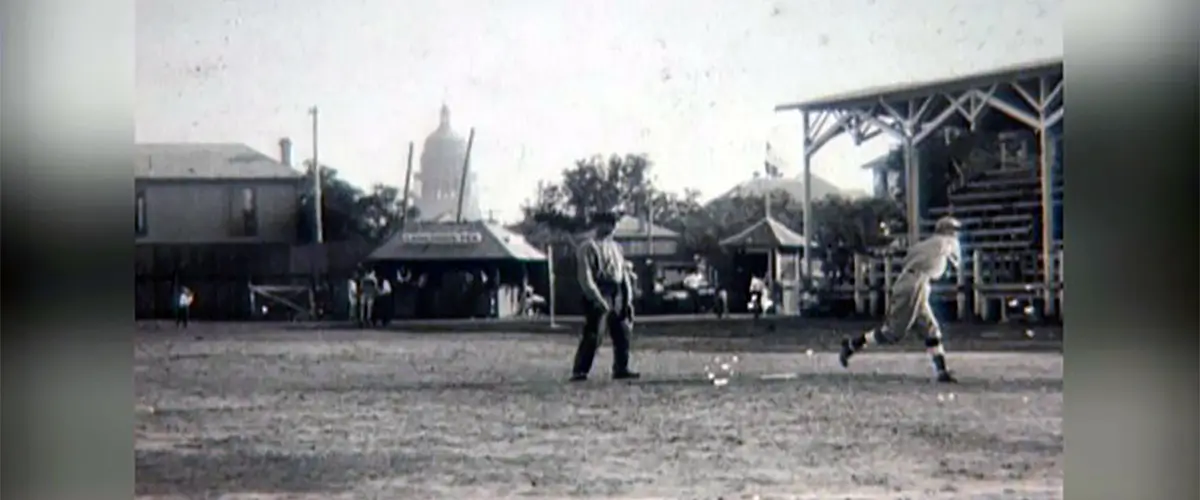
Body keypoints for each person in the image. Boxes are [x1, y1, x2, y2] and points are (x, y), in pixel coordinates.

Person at [838, 216, 964, 383]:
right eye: (954, 230)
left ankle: (941, 371)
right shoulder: (946, 241)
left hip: (912, 281)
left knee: (930, 329)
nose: (956, 234)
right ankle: (853, 344)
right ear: (947, 231)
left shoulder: (924, 244)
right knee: (893, 333)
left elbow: (908, 259)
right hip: (916, 283)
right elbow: (956, 261)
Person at [570, 210, 639, 382]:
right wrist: (596, 297)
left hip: (617, 291)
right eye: (609, 223)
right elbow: (585, 276)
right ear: (599, 225)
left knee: (623, 331)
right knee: (594, 332)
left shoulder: (617, 247)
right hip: (600, 289)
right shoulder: (588, 247)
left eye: (614, 224)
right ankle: (580, 370)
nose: (613, 227)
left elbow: (623, 274)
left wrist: (627, 298)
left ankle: (621, 367)